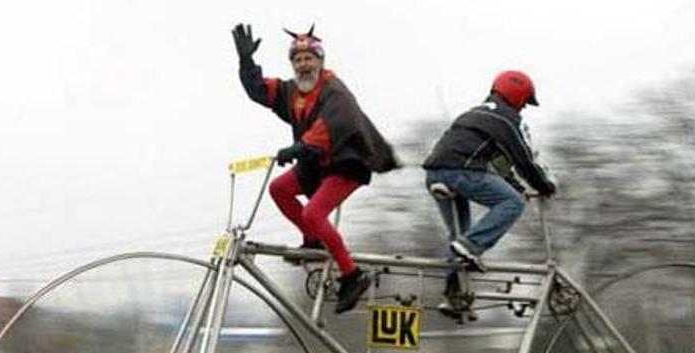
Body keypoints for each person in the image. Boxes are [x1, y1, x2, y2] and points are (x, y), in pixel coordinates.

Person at [231, 23, 398, 313]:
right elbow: (260, 91)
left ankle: (352, 275)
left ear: (320, 60)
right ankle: (314, 241)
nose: (303, 65)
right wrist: (247, 62)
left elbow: (335, 123)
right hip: (316, 164)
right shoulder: (292, 91)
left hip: (346, 161)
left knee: (313, 213)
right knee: (279, 189)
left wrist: (300, 147)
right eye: (297, 59)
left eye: (308, 58)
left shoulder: (334, 89)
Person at [422, 71, 557, 306]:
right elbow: (523, 160)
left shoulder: (473, 113)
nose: (524, 108)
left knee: (459, 236)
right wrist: (543, 185)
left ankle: (454, 295)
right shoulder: (507, 119)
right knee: (512, 202)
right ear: (517, 96)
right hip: (462, 171)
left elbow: (499, 162)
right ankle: (472, 246)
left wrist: (514, 184)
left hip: (435, 174)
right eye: (525, 102)